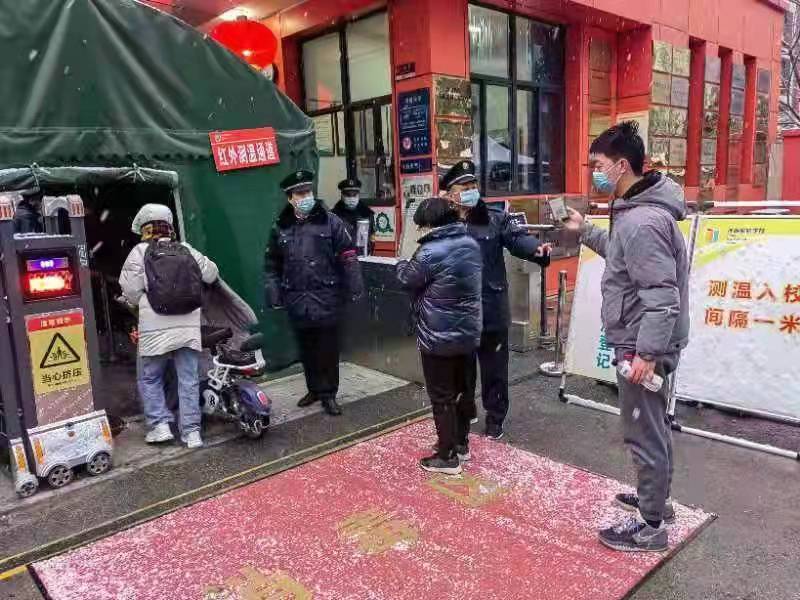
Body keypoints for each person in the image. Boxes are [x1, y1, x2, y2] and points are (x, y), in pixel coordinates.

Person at [564, 121, 689, 553]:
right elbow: (622, 255)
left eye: (598, 165)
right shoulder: (637, 211)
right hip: (643, 339)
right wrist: (586, 230)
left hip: (642, 344)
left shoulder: (642, 221)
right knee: (653, 426)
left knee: (644, 432)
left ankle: (651, 527)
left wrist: (646, 354)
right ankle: (658, 502)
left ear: (621, 166)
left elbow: (662, 296)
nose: (594, 174)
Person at [441, 160, 550, 440]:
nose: (470, 190)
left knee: (495, 370)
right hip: (457, 312)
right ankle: (466, 411)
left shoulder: (495, 217)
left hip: (491, 308)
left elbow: (518, 238)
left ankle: (495, 418)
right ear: (449, 193)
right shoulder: (442, 222)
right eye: (464, 187)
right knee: (460, 370)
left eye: (473, 185)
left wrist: (537, 249)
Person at [264, 170, 363, 416]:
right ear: (290, 198)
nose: (306, 197)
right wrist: (274, 294)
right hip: (297, 299)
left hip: (327, 297)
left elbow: (348, 256)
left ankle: (329, 394)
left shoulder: (331, 221)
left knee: (327, 349)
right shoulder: (281, 227)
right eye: (300, 194)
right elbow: (272, 265)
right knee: (306, 349)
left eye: (307, 191)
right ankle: (314, 389)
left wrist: (355, 286)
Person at [119, 204, 218, 448]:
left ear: (144, 227)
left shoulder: (139, 252)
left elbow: (130, 291)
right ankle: (192, 433)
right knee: (188, 379)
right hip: (187, 326)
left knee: (150, 378)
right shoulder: (186, 249)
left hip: (155, 328)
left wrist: (145, 301)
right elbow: (211, 274)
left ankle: (160, 426)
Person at [396, 196, 482, 475]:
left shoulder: (429, 252)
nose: (420, 230)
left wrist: (401, 261)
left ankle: (447, 457)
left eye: (421, 225)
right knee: (463, 390)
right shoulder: (471, 243)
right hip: (468, 332)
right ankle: (461, 444)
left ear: (430, 224)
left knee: (442, 397)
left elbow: (406, 279)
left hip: (438, 336)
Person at [331, 178, 375, 254]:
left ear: (358, 195)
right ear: (342, 195)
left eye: (354, 195)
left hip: (363, 257)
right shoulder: (333, 216)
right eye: (348, 195)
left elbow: (372, 239)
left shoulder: (367, 214)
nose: (352, 198)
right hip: (341, 258)